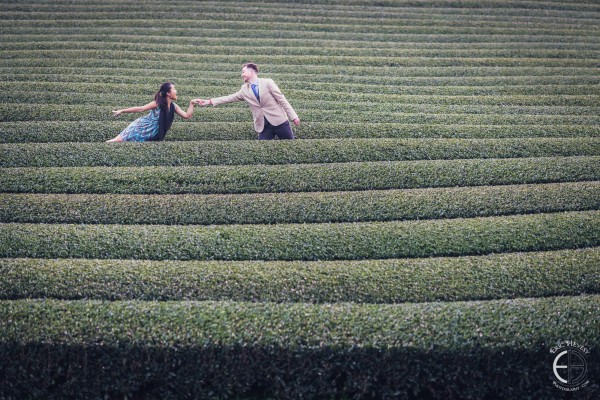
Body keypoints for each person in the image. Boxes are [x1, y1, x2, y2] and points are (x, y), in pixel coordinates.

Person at [193, 63, 300, 140]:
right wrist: (209, 101)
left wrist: (293, 116)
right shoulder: (244, 89)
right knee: (261, 152)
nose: (242, 75)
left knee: (291, 146)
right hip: (263, 126)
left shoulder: (268, 83)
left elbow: (282, 99)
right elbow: (230, 98)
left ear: (252, 72)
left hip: (279, 121)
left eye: (243, 72)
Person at [107, 82, 196, 142]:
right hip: (141, 127)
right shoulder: (158, 103)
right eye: (174, 89)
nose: (176, 91)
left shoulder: (174, 106)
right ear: (168, 93)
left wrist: (191, 103)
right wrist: (122, 110)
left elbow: (187, 115)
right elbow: (141, 109)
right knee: (116, 141)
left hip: (153, 132)